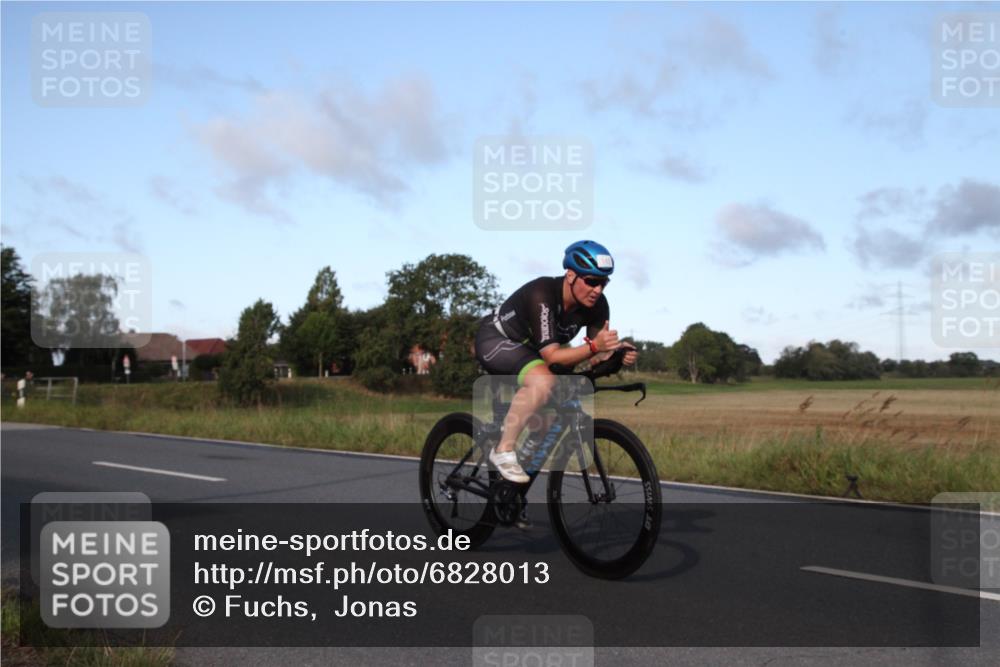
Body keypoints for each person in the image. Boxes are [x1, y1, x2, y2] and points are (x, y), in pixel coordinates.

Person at [474, 240, 638, 485]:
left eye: (604, 282)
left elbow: (597, 352)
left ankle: (510, 491)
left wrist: (616, 352)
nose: (598, 289)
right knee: (543, 380)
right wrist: (594, 347)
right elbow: (552, 356)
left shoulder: (598, 305)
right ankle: (503, 449)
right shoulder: (543, 294)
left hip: (529, 352)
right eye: (591, 281)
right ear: (570, 275)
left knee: (547, 422)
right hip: (496, 340)